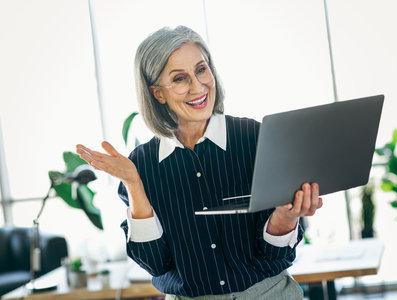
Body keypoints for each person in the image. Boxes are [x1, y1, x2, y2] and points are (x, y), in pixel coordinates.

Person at [76, 25, 323, 300]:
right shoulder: (140, 167)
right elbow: (156, 264)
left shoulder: (257, 138)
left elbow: (274, 252)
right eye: (180, 78)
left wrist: (287, 216)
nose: (198, 87)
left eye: (201, 70)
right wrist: (135, 185)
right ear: (158, 93)